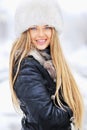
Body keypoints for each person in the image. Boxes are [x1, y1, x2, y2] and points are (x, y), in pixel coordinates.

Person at [9, 0, 84, 130]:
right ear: (25, 31)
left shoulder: (49, 60)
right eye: (34, 28)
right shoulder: (27, 67)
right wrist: (71, 108)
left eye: (47, 27)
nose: (41, 34)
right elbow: (47, 119)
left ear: (53, 30)